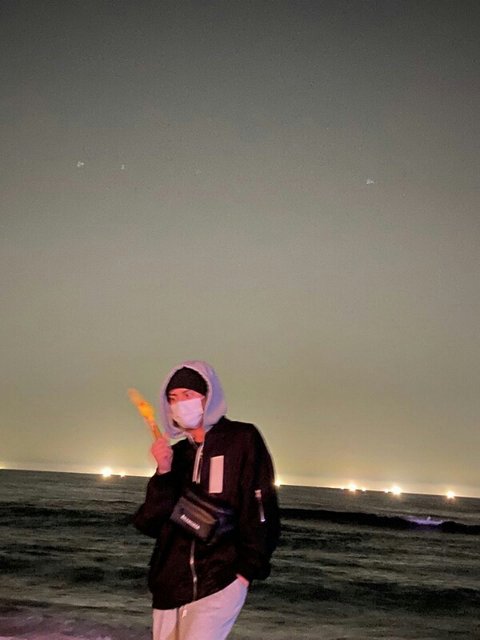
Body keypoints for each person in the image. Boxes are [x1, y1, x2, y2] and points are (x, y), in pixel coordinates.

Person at [133, 360, 280, 640]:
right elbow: (150, 522)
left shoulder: (242, 439)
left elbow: (261, 508)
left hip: (219, 581)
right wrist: (163, 471)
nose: (180, 404)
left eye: (188, 394)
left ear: (208, 397)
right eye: (173, 398)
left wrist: (246, 571)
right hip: (169, 586)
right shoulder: (176, 456)